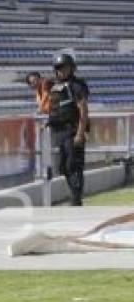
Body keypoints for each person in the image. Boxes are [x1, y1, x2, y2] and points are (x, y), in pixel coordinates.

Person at [48, 54, 89, 206]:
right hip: (59, 132)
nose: (61, 71)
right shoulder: (55, 86)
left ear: (71, 68)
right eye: (58, 68)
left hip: (73, 129)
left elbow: (83, 110)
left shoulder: (77, 85)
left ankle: (76, 198)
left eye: (64, 67)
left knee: (74, 164)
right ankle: (75, 196)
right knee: (63, 167)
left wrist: (80, 133)